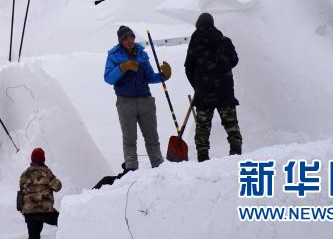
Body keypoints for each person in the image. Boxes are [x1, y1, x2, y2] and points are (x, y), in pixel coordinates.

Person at [103, 25, 172, 170]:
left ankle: (159, 168)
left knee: (152, 137)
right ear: (120, 41)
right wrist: (123, 67)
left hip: (146, 100)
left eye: (131, 37)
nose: (129, 40)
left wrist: (163, 76)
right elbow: (109, 78)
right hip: (125, 102)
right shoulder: (114, 56)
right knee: (130, 140)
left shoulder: (141, 54)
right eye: (125, 38)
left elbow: (149, 77)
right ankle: (131, 170)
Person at [184, 13, 243, 162]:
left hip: (203, 93)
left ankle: (203, 158)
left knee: (203, 127)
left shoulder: (195, 42)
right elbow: (234, 61)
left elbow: (188, 68)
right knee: (231, 124)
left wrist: (197, 85)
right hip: (225, 90)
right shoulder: (224, 41)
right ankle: (235, 154)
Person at [19, 148, 62, 239]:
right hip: (44, 210)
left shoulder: (24, 174)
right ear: (43, 159)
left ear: (32, 159)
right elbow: (58, 187)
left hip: (29, 212)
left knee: (34, 237)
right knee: (64, 221)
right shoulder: (46, 172)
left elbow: (22, 189)